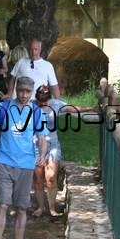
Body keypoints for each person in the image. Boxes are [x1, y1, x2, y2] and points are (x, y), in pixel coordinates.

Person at [0, 76, 49, 239]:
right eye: (21, 91)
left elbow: (42, 138)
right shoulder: (3, 108)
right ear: (16, 90)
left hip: (26, 164)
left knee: (21, 208)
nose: (24, 95)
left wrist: (42, 154)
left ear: (32, 92)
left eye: (28, 92)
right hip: (4, 161)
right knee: (2, 204)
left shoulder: (37, 112)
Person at [32, 85, 78, 218]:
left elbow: (72, 109)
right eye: (40, 99)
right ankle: (40, 207)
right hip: (35, 145)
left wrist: (93, 109)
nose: (43, 102)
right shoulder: (31, 106)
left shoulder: (56, 105)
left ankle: (52, 208)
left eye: (45, 99)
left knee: (51, 177)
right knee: (38, 178)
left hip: (52, 144)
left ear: (49, 97)